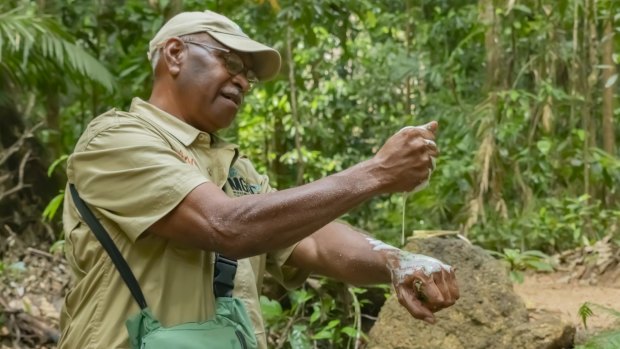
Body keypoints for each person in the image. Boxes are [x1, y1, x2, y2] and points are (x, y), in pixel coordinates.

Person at [59, 10, 459, 349]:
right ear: (175, 54)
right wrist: (377, 173)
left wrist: (398, 262)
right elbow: (226, 225)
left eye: (248, 75)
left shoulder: (236, 170)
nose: (243, 83)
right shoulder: (115, 141)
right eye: (231, 63)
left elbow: (315, 241)